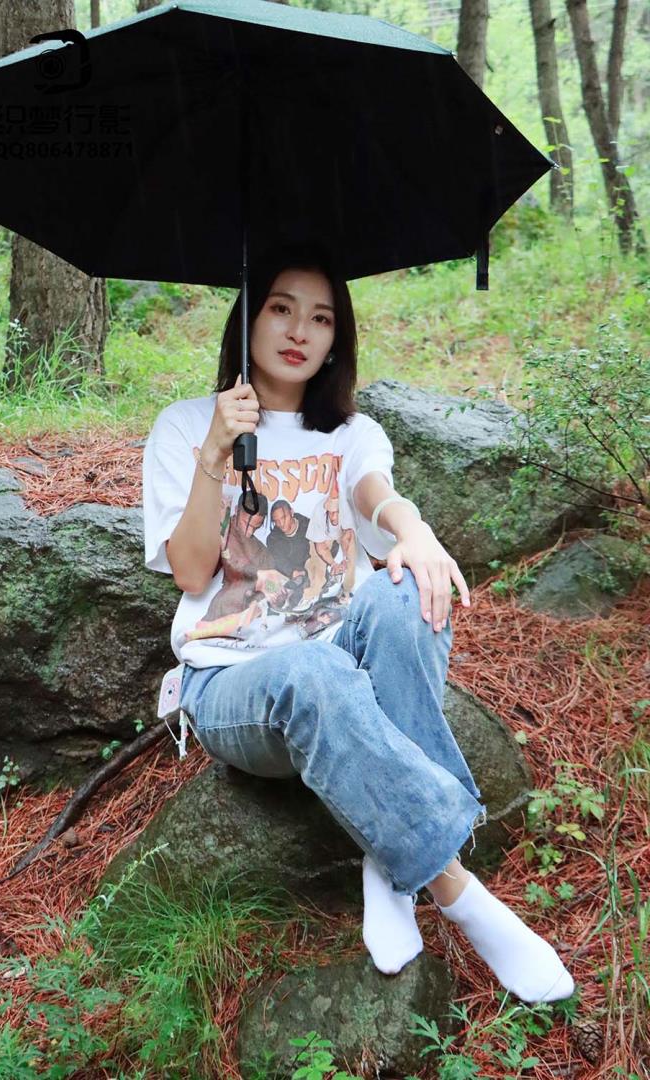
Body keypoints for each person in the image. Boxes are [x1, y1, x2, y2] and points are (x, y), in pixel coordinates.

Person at [142, 243, 574, 1003]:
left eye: (321, 318)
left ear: (336, 337)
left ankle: (387, 855)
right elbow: (189, 573)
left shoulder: (350, 432)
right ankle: (459, 891)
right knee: (317, 670)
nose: (299, 331)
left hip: (340, 658)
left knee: (405, 589)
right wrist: (215, 451)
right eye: (281, 309)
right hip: (234, 685)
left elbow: (375, 490)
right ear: (248, 318)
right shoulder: (183, 428)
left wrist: (415, 531)